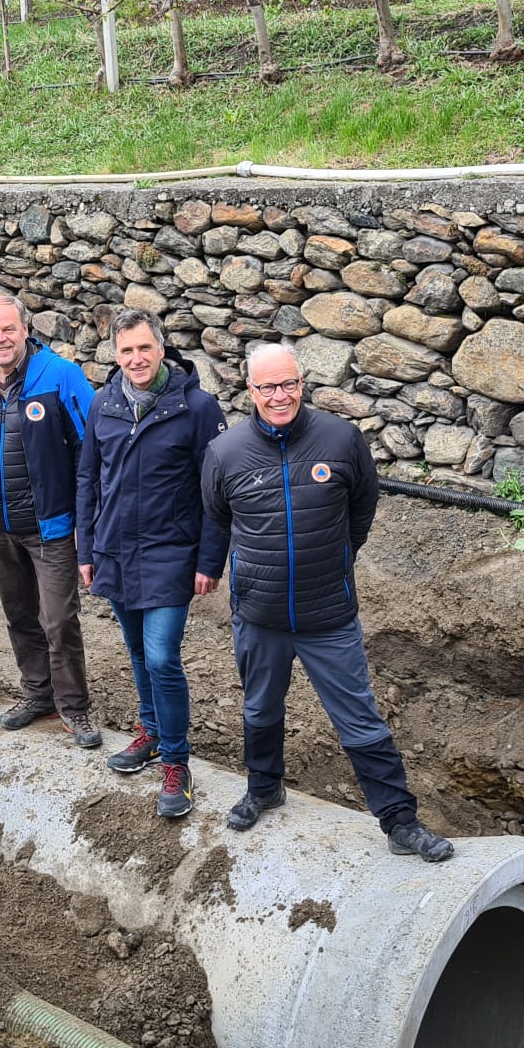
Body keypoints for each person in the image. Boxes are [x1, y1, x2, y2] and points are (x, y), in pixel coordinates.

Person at [200, 342, 454, 861]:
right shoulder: (224, 453)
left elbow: (361, 510)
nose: (279, 395)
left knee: (359, 720)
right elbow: (219, 518)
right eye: (267, 386)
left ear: (302, 383)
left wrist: (337, 558)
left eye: (288, 383)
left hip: (328, 615)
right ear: (249, 390)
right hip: (259, 615)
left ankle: (399, 822)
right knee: (260, 708)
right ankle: (264, 787)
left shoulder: (341, 439)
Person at [76, 309, 228, 819]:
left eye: (144, 348)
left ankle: (177, 763)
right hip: (116, 550)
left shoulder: (197, 407)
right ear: (115, 355)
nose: (136, 359)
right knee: (137, 650)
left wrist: (209, 559)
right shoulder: (104, 403)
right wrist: (87, 549)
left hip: (171, 552)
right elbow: (87, 480)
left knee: (162, 656)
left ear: (162, 349)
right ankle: (151, 731)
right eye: (126, 351)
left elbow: (214, 493)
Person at [0, 291, 99, 747]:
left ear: (26, 330)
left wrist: (83, 520)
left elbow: (93, 451)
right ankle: (38, 694)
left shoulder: (61, 375)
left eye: (8, 329)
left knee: (58, 619)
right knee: (18, 615)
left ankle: (74, 706)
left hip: (52, 525)